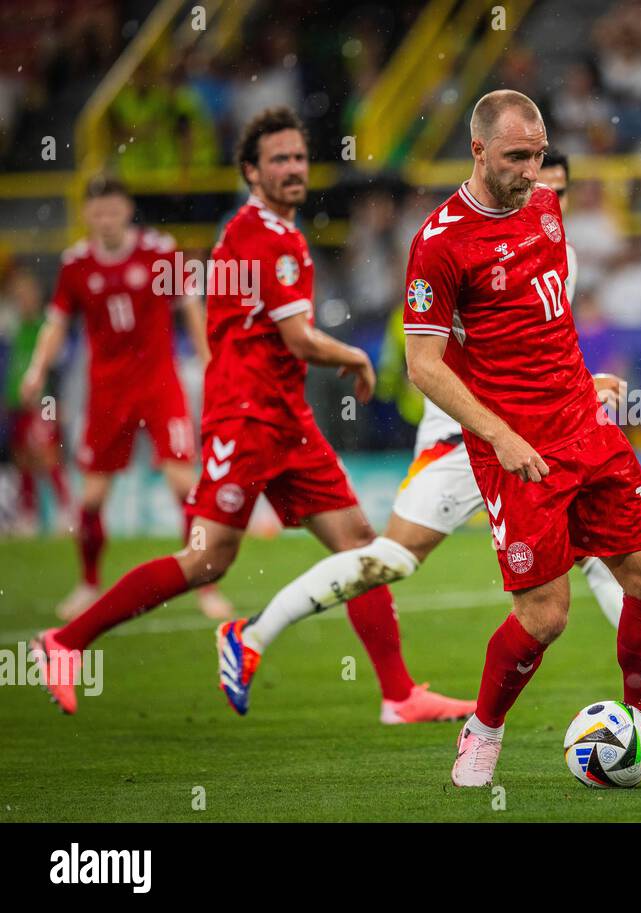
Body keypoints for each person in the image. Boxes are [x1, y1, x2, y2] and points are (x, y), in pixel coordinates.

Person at [223, 148, 641, 722]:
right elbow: (432, 356)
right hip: (467, 439)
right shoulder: (454, 242)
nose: (535, 187)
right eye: (530, 173)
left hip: (542, 439)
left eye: (550, 180)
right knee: (396, 559)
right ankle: (255, 632)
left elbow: (546, 349)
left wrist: (584, 385)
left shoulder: (555, 246)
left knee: (605, 557)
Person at [31, 108, 451, 727]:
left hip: (287, 420)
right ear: (252, 172)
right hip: (246, 419)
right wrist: (357, 355)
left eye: (299, 158)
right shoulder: (263, 236)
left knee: (361, 544)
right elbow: (300, 340)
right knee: (206, 558)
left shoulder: (278, 233)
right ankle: (65, 642)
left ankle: (398, 694)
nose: (293, 169)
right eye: (278, 160)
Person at [405, 89, 641, 787]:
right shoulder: (440, 242)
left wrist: (582, 377)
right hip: (518, 450)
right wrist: (499, 433)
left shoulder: (544, 204)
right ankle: (483, 730)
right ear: (477, 151)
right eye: (516, 157)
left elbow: (544, 310)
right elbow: (423, 362)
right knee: (546, 613)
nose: (532, 170)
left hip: (585, 427)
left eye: (538, 154)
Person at [19, 176, 230, 621]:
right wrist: (38, 368)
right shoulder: (75, 264)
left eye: (112, 211)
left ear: (127, 210)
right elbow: (56, 324)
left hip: (159, 385)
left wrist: (210, 360)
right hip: (106, 393)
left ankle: (203, 583)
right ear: (86, 216)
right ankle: (88, 583)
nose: (106, 220)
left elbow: (190, 306)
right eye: (97, 213)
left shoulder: (158, 251)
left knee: (183, 486)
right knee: (92, 497)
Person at [3, 268, 71, 534]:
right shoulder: (14, 327)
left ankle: (66, 512)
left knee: (48, 455)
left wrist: (55, 400)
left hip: (45, 402)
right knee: (24, 460)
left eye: (27, 295)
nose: (23, 301)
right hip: (18, 403)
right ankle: (28, 515)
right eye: (18, 296)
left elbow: (55, 366)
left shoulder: (47, 326)